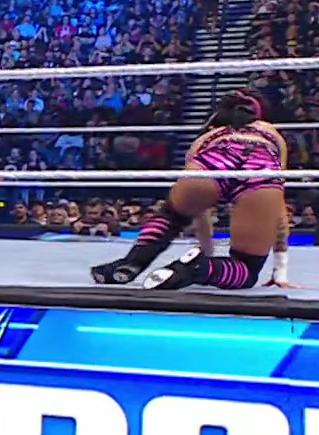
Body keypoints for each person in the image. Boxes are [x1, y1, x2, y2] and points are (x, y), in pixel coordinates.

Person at [90, 89, 295, 291]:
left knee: (172, 216)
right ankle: (199, 269)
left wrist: (206, 250)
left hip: (216, 156)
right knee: (246, 268)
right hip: (260, 167)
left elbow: (198, 211)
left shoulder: (210, 136)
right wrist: (280, 269)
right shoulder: (271, 134)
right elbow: (278, 208)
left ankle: (132, 262)